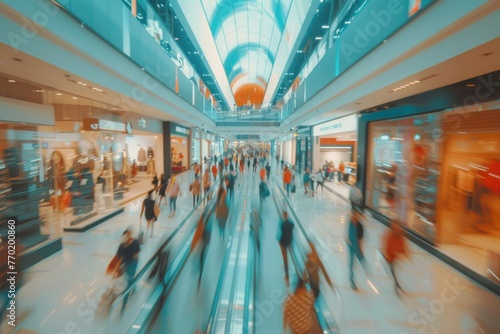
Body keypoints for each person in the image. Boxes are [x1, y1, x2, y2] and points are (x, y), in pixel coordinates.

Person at [381, 221, 409, 296]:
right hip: (390, 257)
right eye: (395, 226)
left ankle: (397, 286)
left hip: (395, 257)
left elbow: (403, 245)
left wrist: (405, 253)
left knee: (394, 272)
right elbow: (387, 245)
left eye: (397, 226)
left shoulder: (400, 235)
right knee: (393, 272)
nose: (396, 228)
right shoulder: (390, 234)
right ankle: (397, 286)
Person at [116, 228, 140, 313]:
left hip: (133, 264)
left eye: (130, 234)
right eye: (126, 235)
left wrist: (133, 258)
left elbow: (136, 255)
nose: (128, 236)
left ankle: (123, 306)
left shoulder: (135, 242)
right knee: (128, 279)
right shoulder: (121, 246)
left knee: (128, 282)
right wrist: (118, 269)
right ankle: (134, 287)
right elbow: (119, 259)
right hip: (126, 264)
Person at [347, 208, 368, 290]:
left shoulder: (359, 226)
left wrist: (360, 249)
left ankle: (366, 270)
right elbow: (348, 234)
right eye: (355, 215)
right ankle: (352, 280)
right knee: (351, 263)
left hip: (356, 246)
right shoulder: (350, 223)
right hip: (351, 245)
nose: (356, 216)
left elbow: (360, 240)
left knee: (361, 259)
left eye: (357, 215)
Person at [278, 211, 294, 286]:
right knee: (288, 258)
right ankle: (288, 274)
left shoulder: (282, 224)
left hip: (283, 243)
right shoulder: (291, 224)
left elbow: (280, 232)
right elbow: (292, 225)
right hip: (289, 242)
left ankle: (287, 276)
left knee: (285, 259)